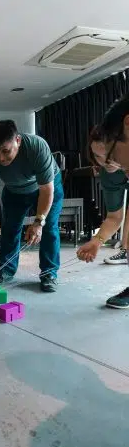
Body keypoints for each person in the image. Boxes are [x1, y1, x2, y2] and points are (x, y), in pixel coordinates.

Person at [0, 120, 64, 292]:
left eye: (5, 151)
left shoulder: (36, 146)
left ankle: (49, 273)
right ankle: (6, 270)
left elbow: (46, 190)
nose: (1, 158)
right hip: (14, 190)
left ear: (17, 140)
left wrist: (38, 222)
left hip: (47, 186)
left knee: (48, 227)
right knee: (10, 228)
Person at [77, 121, 129, 308]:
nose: (105, 162)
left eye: (110, 155)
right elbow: (114, 217)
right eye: (98, 156)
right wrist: (97, 241)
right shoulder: (109, 173)